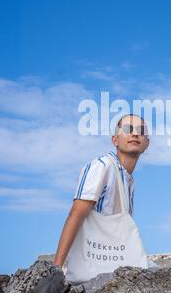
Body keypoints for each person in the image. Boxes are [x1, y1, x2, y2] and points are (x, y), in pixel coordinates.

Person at [53, 113, 150, 271]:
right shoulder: (102, 166)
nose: (135, 133)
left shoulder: (129, 180)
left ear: (147, 144)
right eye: (127, 128)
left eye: (141, 130)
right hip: (91, 261)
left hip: (110, 261)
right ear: (115, 140)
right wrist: (55, 269)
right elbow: (76, 214)